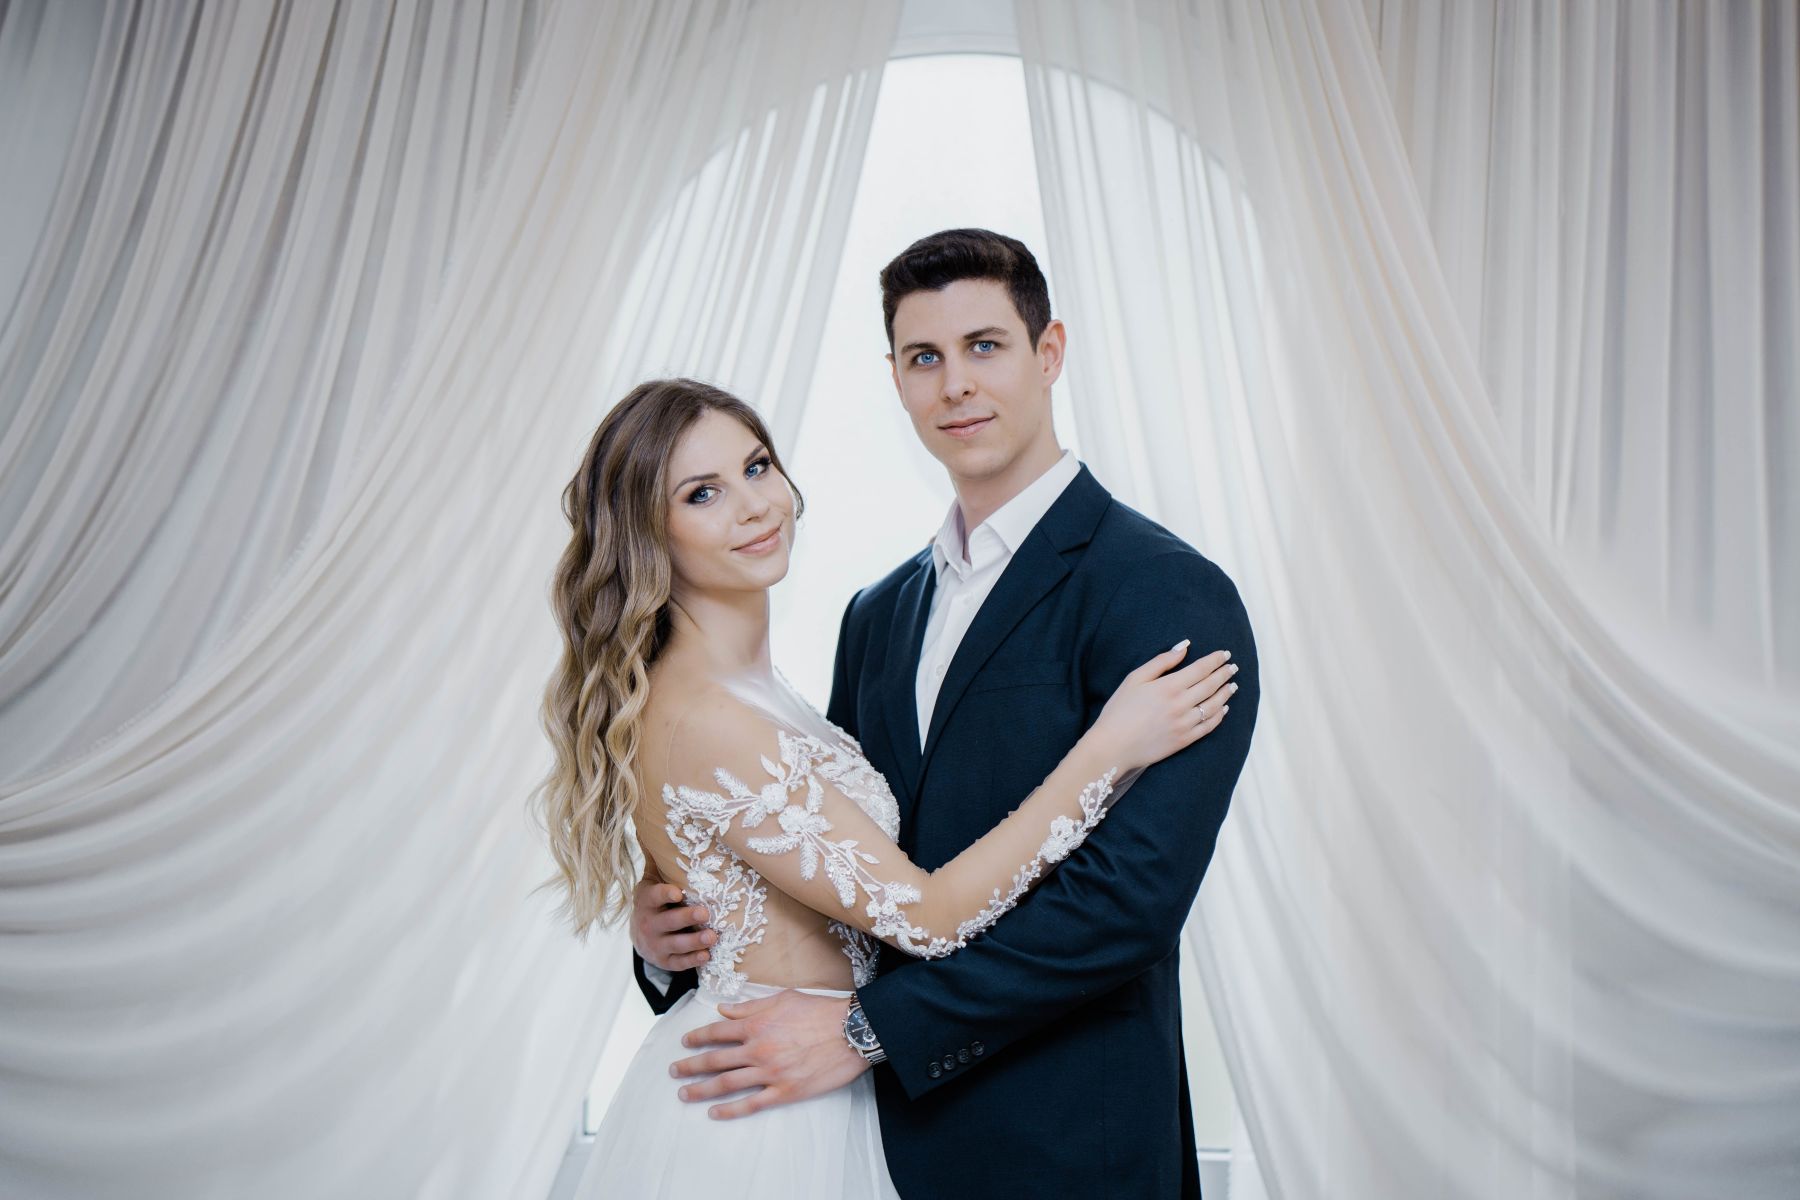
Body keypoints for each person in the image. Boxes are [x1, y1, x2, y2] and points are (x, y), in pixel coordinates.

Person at [632, 229, 1261, 1197]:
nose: (956, 384)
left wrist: (870, 1031)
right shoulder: (878, 612)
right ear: (895, 379)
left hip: (1065, 1144)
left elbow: (1126, 905)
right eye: (924, 357)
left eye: (985, 346)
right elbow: (837, 864)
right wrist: (677, 928)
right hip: (865, 1135)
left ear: (1049, 352)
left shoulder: (1166, 592)